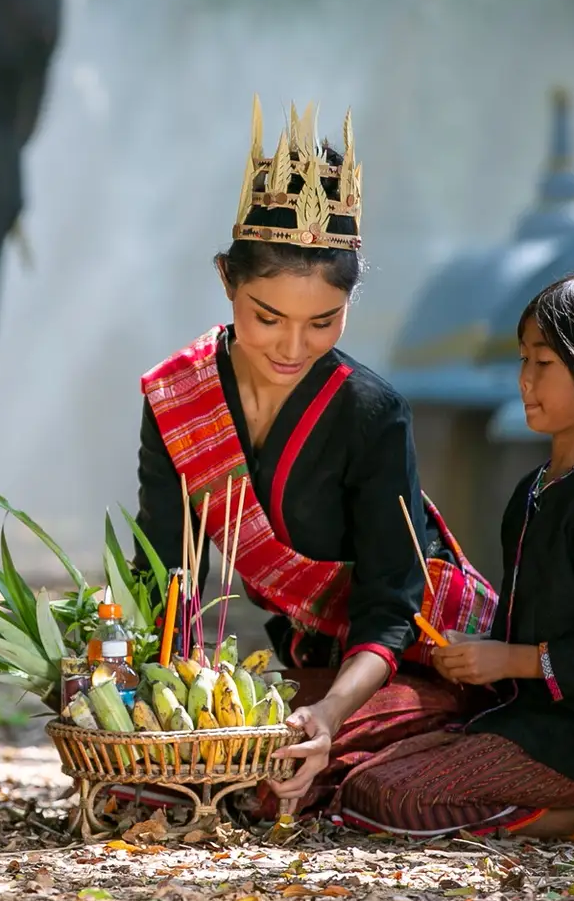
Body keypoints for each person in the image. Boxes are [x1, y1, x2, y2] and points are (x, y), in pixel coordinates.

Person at [135, 99, 499, 819]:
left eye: (322, 322)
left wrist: (331, 714)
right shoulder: (180, 397)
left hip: (419, 657)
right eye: (266, 317)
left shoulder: (371, 410)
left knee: (288, 777)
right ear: (225, 281)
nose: (293, 347)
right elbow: (168, 568)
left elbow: (393, 604)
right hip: (311, 660)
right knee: (197, 771)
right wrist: (151, 695)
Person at [333, 264, 574, 837]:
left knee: (386, 801)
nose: (525, 380)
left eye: (543, 363)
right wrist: (477, 652)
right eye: (523, 360)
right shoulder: (533, 491)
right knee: (358, 779)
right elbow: (524, 628)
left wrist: (514, 660)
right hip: (525, 722)